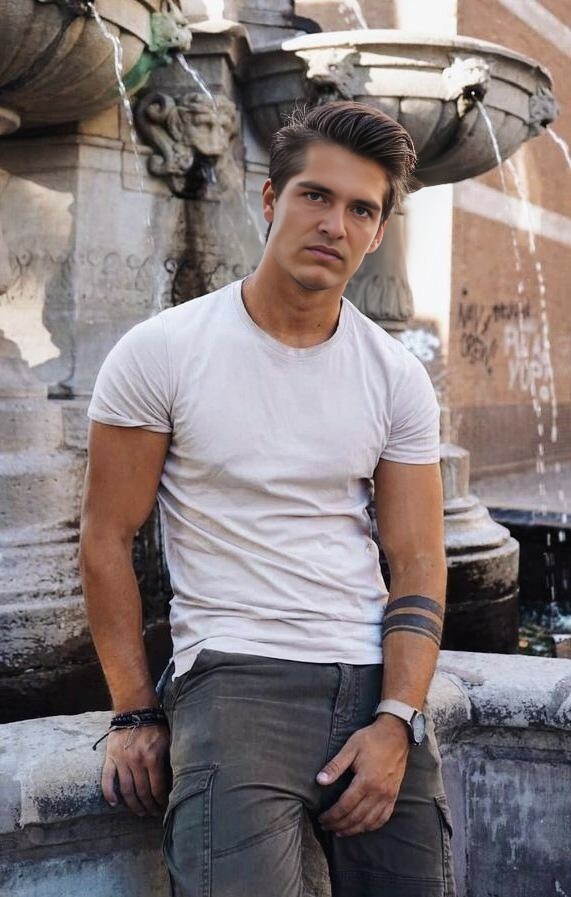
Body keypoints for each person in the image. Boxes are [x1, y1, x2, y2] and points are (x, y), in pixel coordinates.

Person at [81, 101, 456, 897]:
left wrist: (397, 718)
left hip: (370, 674)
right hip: (234, 676)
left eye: (360, 209)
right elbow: (106, 536)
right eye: (314, 196)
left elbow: (418, 557)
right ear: (269, 200)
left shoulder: (394, 376)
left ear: (376, 232)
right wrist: (134, 711)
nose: (333, 224)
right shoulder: (161, 352)